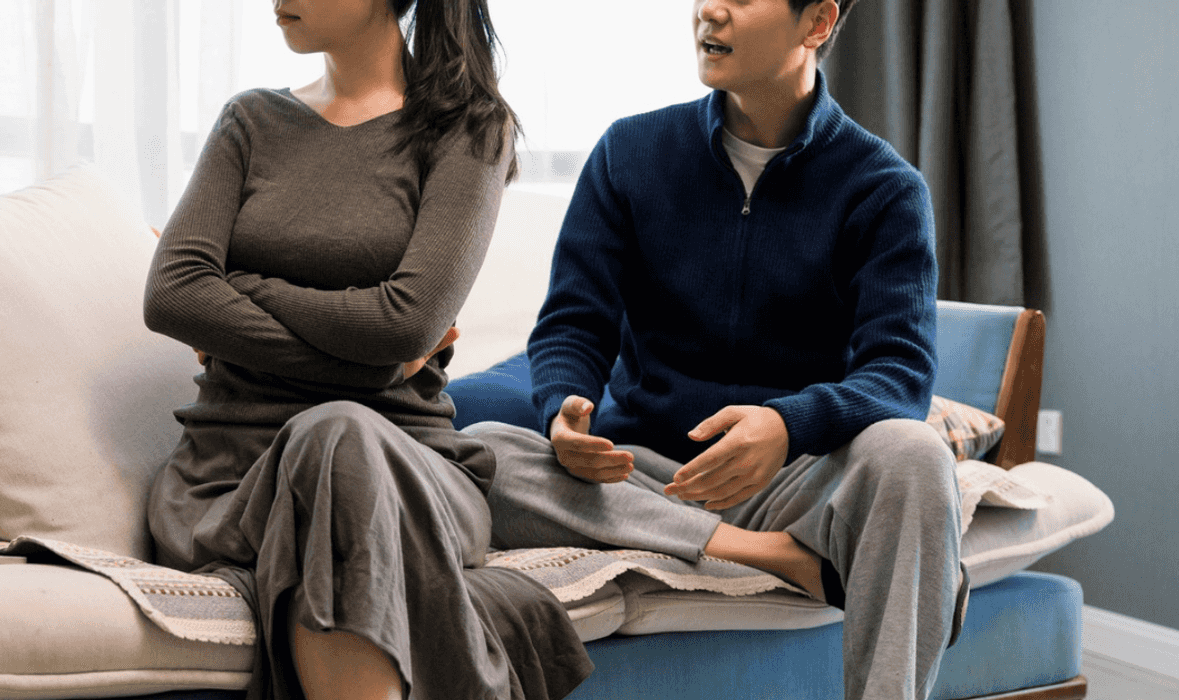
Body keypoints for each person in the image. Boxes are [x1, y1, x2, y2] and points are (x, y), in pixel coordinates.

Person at [464, 1, 969, 699]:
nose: (708, 10)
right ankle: (775, 559)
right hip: (640, 474)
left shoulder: (883, 189)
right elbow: (573, 325)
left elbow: (898, 375)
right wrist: (561, 411)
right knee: (480, 449)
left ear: (816, 22)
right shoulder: (629, 153)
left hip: (792, 481)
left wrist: (788, 424)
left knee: (915, 456)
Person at [143, 1, 593, 699]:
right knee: (334, 428)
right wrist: (368, 364)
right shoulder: (250, 122)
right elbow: (172, 294)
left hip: (411, 473)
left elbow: (404, 326)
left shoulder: (468, 129)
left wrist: (240, 287)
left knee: (338, 432)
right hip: (230, 480)